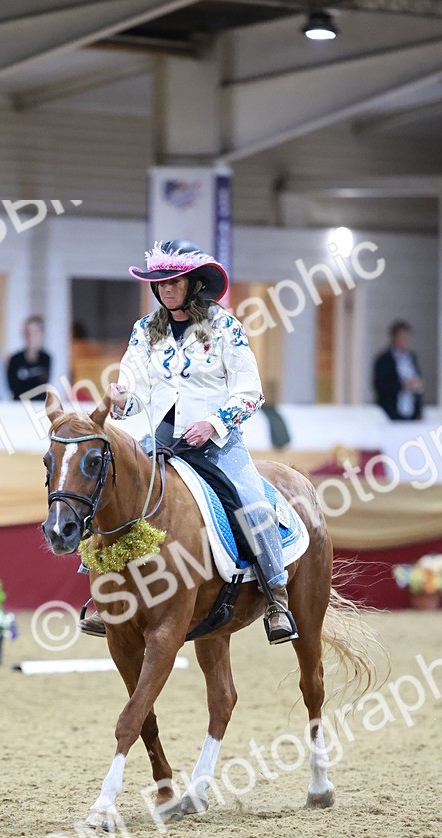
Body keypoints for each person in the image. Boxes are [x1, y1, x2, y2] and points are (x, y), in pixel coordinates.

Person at [81, 237, 296, 645]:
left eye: (174, 281)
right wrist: (121, 398)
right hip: (157, 437)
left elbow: (251, 393)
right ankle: (102, 595)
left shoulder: (225, 326)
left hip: (216, 440)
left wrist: (214, 423)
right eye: (160, 283)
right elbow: (132, 385)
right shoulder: (144, 330)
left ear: (193, 283)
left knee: (251, 500)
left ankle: (276, 595)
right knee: (110, 490)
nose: (165, 288)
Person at [373, 320, 424, 421]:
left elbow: (418, 384)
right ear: (394, 338)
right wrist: (402, 385)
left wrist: (419, 410)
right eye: (402, 337)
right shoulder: (385, 359)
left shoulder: (411, 357)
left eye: (407, 337)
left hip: (410, 411)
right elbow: (380, 385)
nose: (405, 340)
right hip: (392, 412)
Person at [7, 315, 51, 400]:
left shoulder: (45, 358)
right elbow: (13, 386)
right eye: (28, 332)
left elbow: (43, 385)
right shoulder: (15, 359)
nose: (30, 336)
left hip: (39, 405)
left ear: (41, 334)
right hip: (18, 405)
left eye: (34, 332)